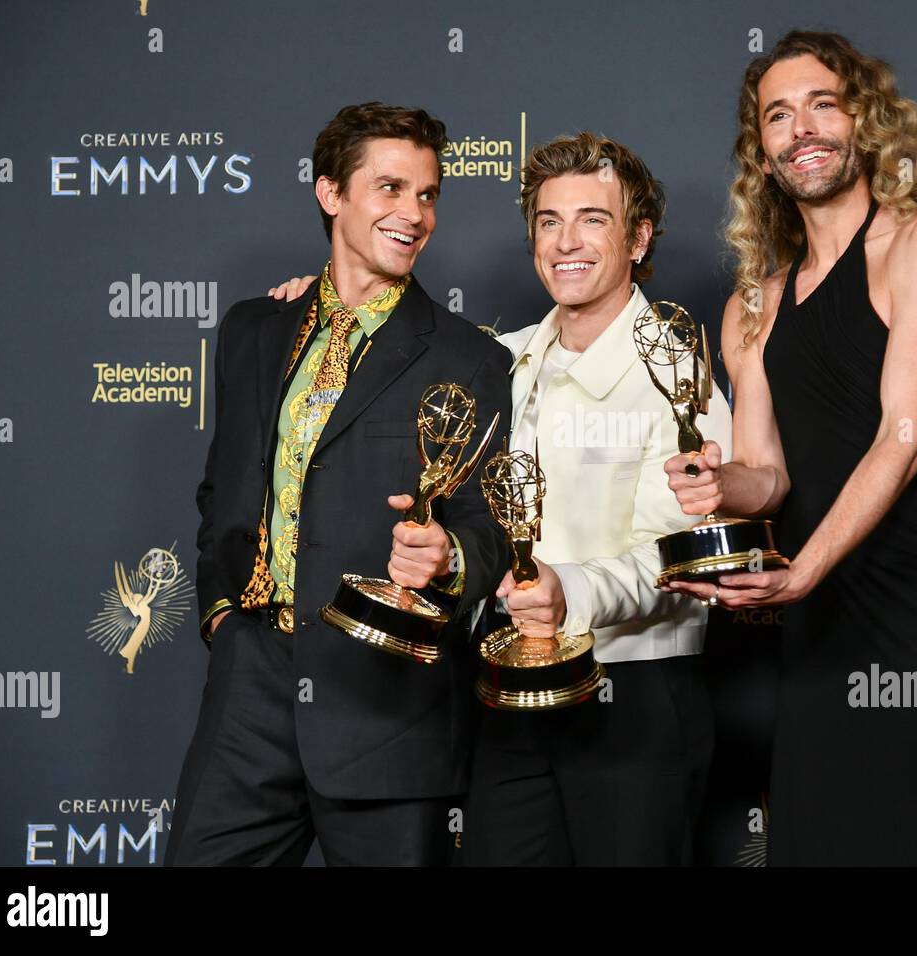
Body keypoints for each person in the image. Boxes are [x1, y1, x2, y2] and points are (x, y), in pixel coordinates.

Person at [273, 132, 733, 865]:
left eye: (594, 219)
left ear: (639, 237)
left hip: (634, 701)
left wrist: (568, 591)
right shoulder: (503, 359)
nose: (566, 242)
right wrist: (319, 305)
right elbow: (391, 345)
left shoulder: (678, 376)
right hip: (507, 699)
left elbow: (679, 562)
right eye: (548, 221)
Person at [663, 30, 917, 865]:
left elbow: (907, 438)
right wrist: (721, 484)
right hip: (825, 627)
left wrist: (801, 571)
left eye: (823, 105)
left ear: (863, 122)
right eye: (779, 116)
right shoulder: (752, 307)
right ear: (761, 153)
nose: (803, 129)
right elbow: (769, 476)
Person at [166, 102, 512, 866]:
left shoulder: (470, 359)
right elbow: (221, 489)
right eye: (389, 189)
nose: (413, 214)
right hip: (249, 695)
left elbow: (491, 528)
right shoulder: (255, 330)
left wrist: (449, 557)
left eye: (427, 195)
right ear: (331, 194)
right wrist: (223, 617)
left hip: (387, 701)